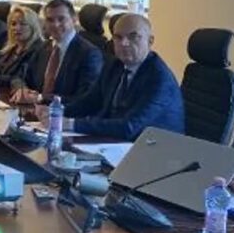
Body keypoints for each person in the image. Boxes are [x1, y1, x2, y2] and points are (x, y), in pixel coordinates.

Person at [43, 14, 184, 141]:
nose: (124, 43)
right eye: (118, 37)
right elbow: (89, 102)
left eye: (133, 37)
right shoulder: (114, 66)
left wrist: (69, 124)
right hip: (115, 143)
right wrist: (55, 112)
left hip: (153, 150)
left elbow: (129, 127)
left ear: (150, 41)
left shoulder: (159, 79)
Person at [11, 0, 103, 105]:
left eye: (61, 19)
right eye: (50, 20)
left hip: (63, 112)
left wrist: (41, 98)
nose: (55, 24)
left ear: (74, 19)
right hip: (33, 110)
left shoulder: (89, 54)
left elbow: (84, 98)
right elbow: (19, 76)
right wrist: (21, 90)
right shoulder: (43, 47)